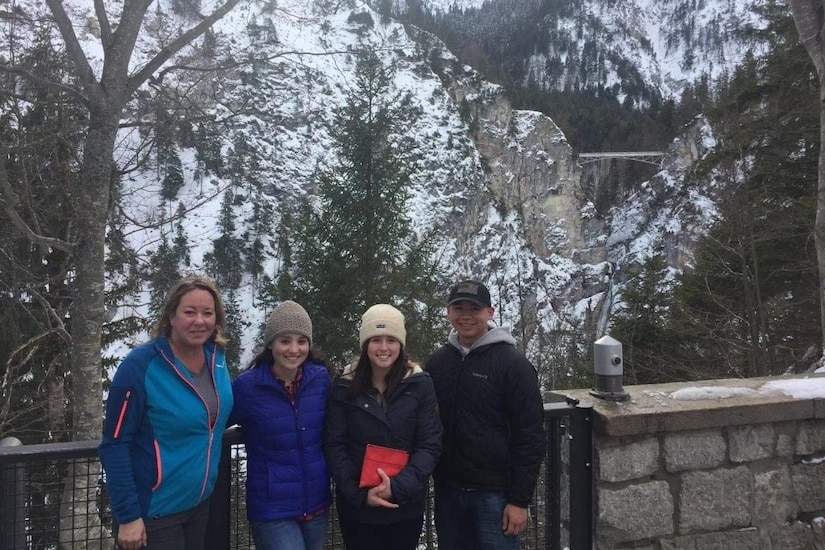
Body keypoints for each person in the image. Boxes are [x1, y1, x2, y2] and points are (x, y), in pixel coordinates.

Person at [98, 276, 234, 550]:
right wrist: (128, 516)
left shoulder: (216, 358)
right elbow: (115, 444)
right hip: (154, 513)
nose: (199, 320)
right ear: (171, 316)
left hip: (199, 505)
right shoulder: (140, 366)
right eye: (189, 312)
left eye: (208, 313)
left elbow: (214, 416)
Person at [425, 279, 545, 550]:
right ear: (448, 312)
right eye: (459, 308)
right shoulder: (439, 362)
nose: (466, 316)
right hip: (447, 491)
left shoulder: (513, 365)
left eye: (474, 309)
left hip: (496, 495)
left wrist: (519, 501)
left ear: (489, 314)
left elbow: (530, 437)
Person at [324, 304, 442, 550]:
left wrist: (397, 488)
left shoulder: (420, 384)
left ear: (401, 344)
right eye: (376, 339)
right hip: (358, 510)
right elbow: (335, 445)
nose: (384, 348)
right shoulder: (344, 386)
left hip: (404, 506)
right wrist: (361, 494)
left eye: (391, 339)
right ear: (365, 344)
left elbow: (429, 444)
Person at [229, 300, 332, 550]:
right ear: (271, 344)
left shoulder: (320, 379)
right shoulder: (247, 387)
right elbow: (213, 421)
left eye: (301, 341)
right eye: (285, 340)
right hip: (272, 508)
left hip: (316, 503)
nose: (294, 349)